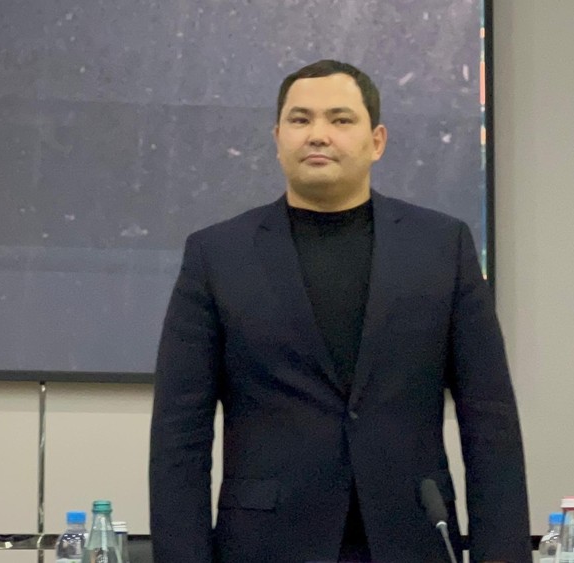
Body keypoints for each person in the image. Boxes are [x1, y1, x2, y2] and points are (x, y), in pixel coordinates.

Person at [149, 59, 529, 563]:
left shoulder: (443, 247)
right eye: (300, 119)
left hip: (411, 539)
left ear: (377, 141)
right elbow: (180, 434)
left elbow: (490, 423)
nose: (318, 134)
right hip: (265, 545)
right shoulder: (217, 255)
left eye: (340, 119)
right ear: (277, 138)